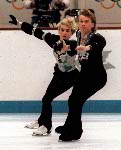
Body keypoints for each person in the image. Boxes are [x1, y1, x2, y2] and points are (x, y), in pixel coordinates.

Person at [9, 15, 79, 136]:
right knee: (46, 99)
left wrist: (61, 46)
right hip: (58, 74)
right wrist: (19, 23)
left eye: (68, 31)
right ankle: (42, 121)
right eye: (62, 30)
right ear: (59, 30)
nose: (64, 32)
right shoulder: (52, 39)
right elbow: (35, 31)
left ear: (71, 32)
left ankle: (46, 126)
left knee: (47, 99)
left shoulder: (73, 44)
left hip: (70, 77)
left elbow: (71, 47)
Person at [54, 9, 107, 141]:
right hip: (84, 75)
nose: (83, 24)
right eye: (81, 21)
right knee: (73, 100)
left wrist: (86, 48)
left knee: (77, 101)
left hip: (97, 77)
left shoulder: (96, 37)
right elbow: (75, 47)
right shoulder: (78, 34)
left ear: (92, 24)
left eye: (86, 22)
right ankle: (72, 127)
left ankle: (72, 131)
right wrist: (68, 48)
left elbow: (97, 45)